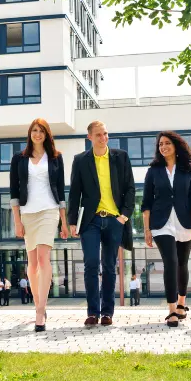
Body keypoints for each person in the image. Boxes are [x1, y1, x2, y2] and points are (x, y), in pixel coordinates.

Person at [68, 121, 136, 327]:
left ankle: (107, 312)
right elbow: (74, 194)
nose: (103, 138)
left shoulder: (120, 157)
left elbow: (130, 188)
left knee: (108, 266)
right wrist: (72, 221)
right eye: (98, 135)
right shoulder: (80, 161)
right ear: (89, 137)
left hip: (115, 220)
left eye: (105, 134)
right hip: (90, 221)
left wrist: (123, 216)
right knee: (90, 264)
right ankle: (92, 312)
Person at [141, 131, 191, 328]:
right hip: (161, 223)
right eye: (160, 144)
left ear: (176, 146)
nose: (163, 147)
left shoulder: (188, 170)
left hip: (185, 222)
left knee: (182, 263)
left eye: (167, 143)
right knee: (171, 261)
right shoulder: (153, 171)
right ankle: (171, 310)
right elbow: (146, 202)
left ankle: (182, 303)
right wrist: (147, 230)